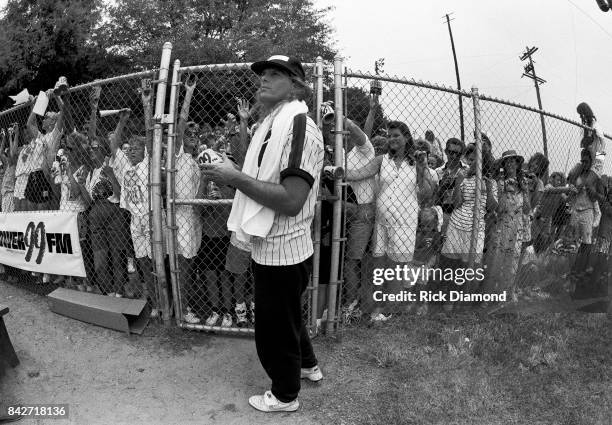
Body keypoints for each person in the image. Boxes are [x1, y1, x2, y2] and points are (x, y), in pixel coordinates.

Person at [201, 55, 324, 413]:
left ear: (297, 86)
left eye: (275, 74)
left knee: (274, 327)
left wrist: (234, 178)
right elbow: (266, 180)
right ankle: (308, 366)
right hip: (275, 245)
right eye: (263, 74)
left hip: (284, 248)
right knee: (288, 316)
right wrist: (231, 171)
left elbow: (291, 200)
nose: (264, 80)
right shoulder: (273, 123)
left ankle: (285, 395)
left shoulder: (299, 126)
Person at [346, 120, 436, 320]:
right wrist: (339, 171)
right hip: (382, 223)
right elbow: (360, 173)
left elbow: (427, 193)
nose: (392, 139)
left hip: (405, 223)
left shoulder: (417, 161)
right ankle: (379, 307)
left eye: (397, 135)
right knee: (380, 266)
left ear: (406, 138)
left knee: (397, 268)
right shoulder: (382, 160)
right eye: (390, 135)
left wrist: (422, 169)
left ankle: (391, 309)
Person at [437, 143, 498, 311]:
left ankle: (463, 300)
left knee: (470, 268)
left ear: (483, 160)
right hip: (457, 224)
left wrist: (490, 189)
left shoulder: (490, 181)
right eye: (470, 159)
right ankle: (449, 299)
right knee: (453, 265)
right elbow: (456, 203)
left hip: (476, 228)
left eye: (475, 159)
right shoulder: (464, 176)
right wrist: (458, 183)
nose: (471, 162)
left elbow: (492, 208)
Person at [484, 150, 531, 301]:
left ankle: (503, 295)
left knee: (511, 263)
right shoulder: (500, 182)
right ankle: (488, 296)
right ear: (504, 164)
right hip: (501, 226)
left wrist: (525, 191)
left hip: (516, 229)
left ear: (518, 164)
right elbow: (496, 207)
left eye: (513, 161)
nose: (511, 163)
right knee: (495, 262)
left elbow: (527, 209)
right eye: (507, 161)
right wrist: (503, 189)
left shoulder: (523, 183)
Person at [435, 138, 467, 235]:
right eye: (451, 152)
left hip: (463, 216)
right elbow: (434, 200)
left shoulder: (467, 171)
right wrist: (442, 187)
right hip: (443, 215)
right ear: (445, 152)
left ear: (462, 154)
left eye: (458, 153)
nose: (454, 156)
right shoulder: (438, 172)